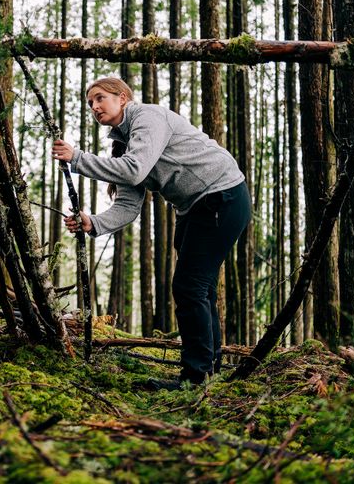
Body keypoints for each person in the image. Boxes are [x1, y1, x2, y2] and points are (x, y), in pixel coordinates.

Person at [52, 76, 251, 388]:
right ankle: (208, 371)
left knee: (190, 286)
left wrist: (78, 159)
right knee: (200, 288)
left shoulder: (148, 117)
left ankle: (196, 377)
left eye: (101, 98)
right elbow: (129, 206)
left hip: (221, 196)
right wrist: (95, 223)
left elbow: (135, 169)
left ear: (123, 97)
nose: (94, 106)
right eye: (90, 103)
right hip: (195, 208)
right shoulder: (123, 144)